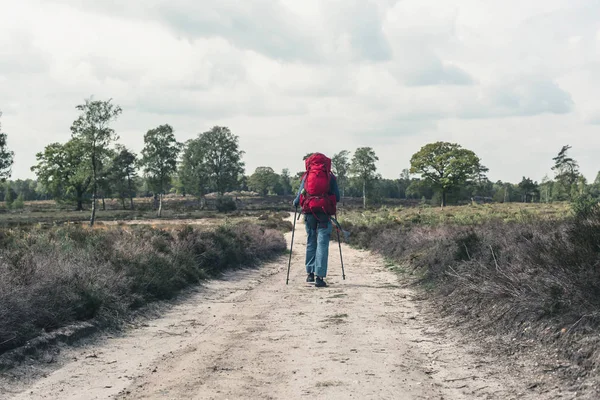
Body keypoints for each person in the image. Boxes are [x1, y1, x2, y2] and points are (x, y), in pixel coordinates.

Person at [293, 153, 341, 288]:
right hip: (324, 214)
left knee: (311, 242)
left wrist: (296, 202)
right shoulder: (330, 176)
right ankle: (319, 277)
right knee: (322, 244)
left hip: (309, 214)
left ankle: (310, 274)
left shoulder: (307, 176)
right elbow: (337, 197)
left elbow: (298, 198)